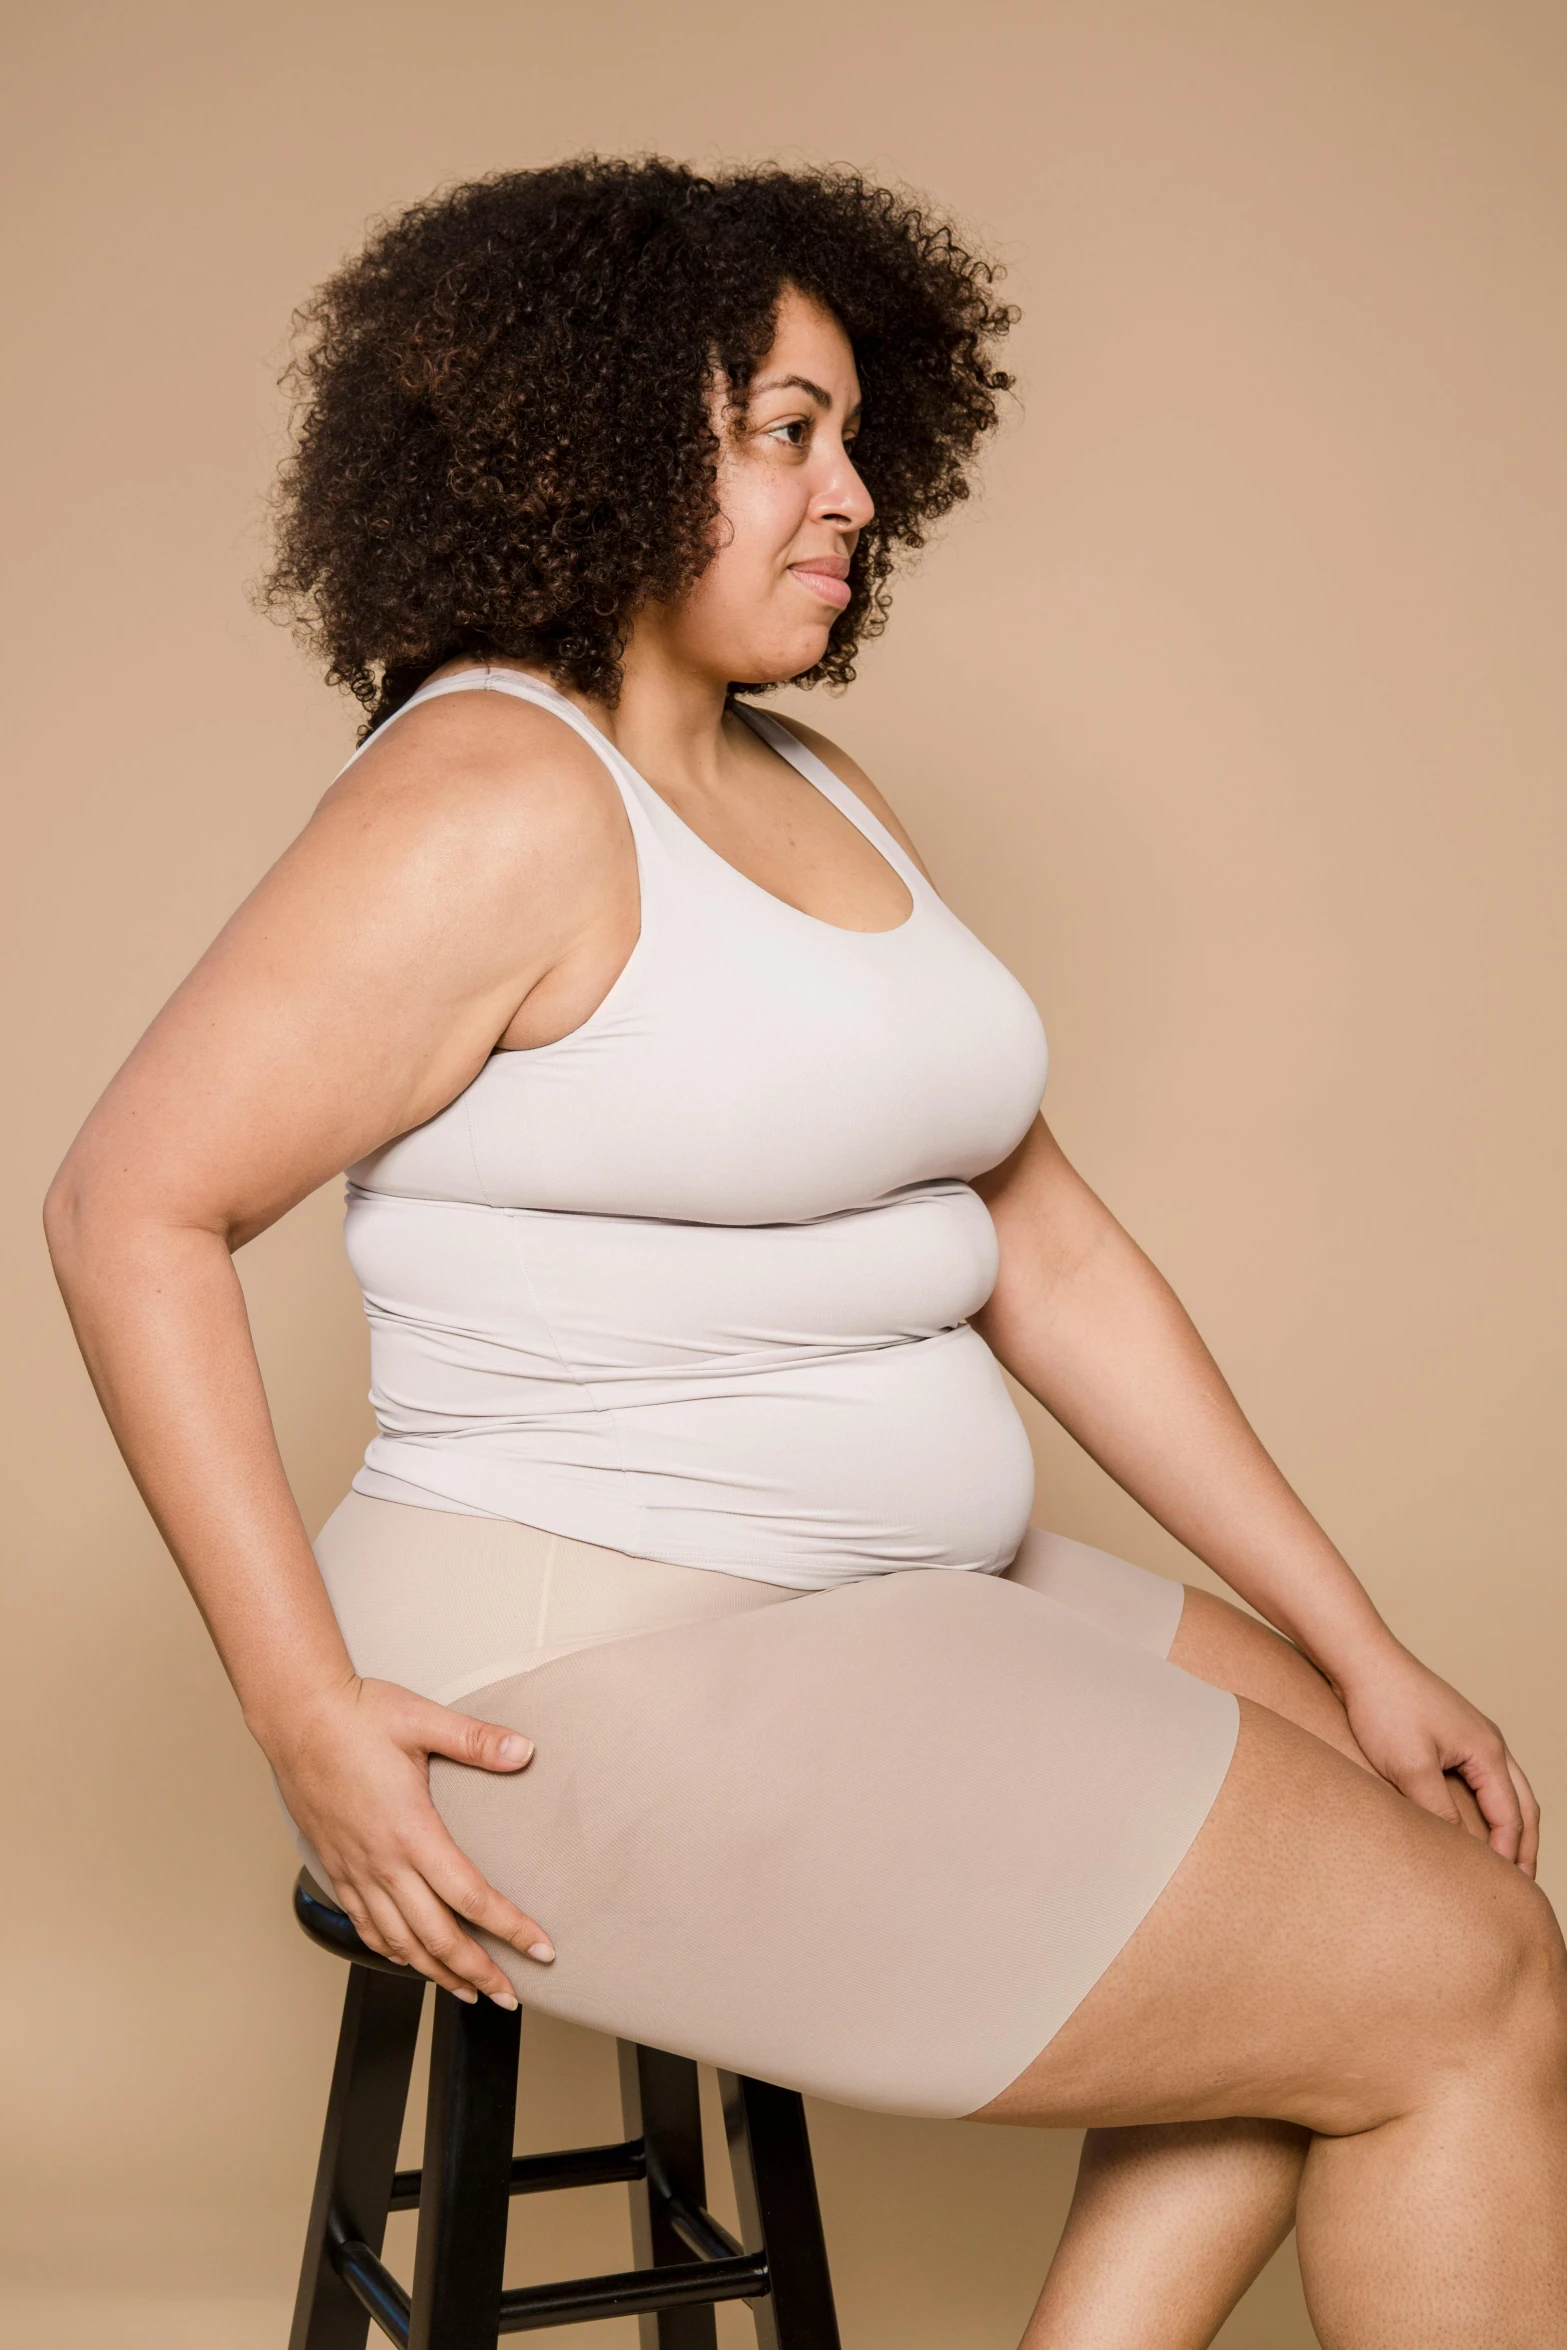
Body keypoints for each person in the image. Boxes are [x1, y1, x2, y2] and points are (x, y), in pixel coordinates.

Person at [45, 158, 1566, 2348]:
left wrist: (1367, 1639)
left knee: (1419, 1875)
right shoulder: (490, 797)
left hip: (892, 1612)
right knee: (1462, 1979)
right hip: (582, 1675)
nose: (849, 492)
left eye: (857, 436)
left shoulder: (820, 784)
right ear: (595, 446)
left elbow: (1049, 1247)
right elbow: (126, 1205)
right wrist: (301, 1711)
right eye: (785, 431)